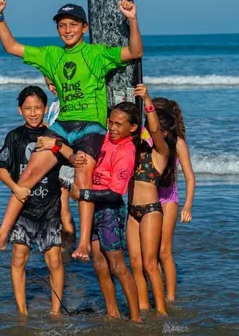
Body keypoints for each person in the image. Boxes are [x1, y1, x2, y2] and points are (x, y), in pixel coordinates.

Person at [0, 0, 144, 263]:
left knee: (83, 175)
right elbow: (11, 47)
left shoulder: (97, 54)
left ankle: (83, 244)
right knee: (29, 174)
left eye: (73, 25)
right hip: (62, 124)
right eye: (62, 26)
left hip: (91, 125)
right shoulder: (50, 55)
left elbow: (135, 52)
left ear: (84, 28)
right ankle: (1, 235)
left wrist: (133, 20)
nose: (67, 30)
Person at [37, 102, 143, 322]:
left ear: (132, 128)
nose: (112, 128)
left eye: (118, 124)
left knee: (117, 265)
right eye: (110, 122)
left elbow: (115, 194)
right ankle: (112, 313)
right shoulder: (104, 139)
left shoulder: (126, 150)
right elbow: (76, 155)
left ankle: (136, 318)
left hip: (109, 212)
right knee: (99, 265)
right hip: (92, 209)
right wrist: (56, 145)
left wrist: (84, 195)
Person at [0, 86, 65, 316]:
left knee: (54, 260)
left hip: (50, 209)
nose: (33, 113)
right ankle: (22, 310)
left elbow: (74, 160)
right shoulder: (14, 136)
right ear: (19, 110)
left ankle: (56, 311)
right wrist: (16, 187)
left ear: (46, 109)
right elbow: (0, 170)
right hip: (23, 210)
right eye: (28, 108)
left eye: (37, 108)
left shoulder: (55, 136)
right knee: (18, 258)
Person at [126, 85, 172, 316]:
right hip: (132, 212)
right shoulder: (132, 152)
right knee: (134, 263)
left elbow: (153, 129)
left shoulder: (160, 153)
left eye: (149, 131)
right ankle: (143, 307)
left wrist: (147, 101)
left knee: (150, 264)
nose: (145, 132)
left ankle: (162, 311)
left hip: (151, 211)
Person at [152, 97, 196, 303]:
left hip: (168, 197)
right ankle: (157, 291)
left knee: (163, 249)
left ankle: (170, 297)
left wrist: (187, 205)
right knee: (150, 252)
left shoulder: (178, 142)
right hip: (148, 196)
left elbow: (189, 176)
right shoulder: (147, 138)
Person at [43, 75, 76, 251]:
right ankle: (61, 244)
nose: (51, 88)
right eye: (48, 85)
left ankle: (69, 247)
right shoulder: (55, 103)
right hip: (55, 159)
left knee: (63, 206)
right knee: (57, 205)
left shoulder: (69, 103)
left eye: (54, 84)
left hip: (65, 159)